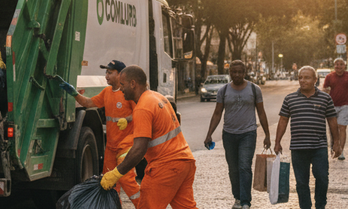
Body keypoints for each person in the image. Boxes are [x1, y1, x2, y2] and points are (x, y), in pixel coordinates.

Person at [101, 65, 197, 209]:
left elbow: (139, 148)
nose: (121, 89)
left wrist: (116, 173)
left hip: (166, 166)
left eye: (123, 84)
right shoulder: (158, 97)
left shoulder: (142, 108)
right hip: (185, 162)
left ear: (133, 84)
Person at [59, 60, 140, 206]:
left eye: (110, 72)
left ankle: (143, 205)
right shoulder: (107, 92)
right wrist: (74, 93)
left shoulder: (127, 94)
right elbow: (88, 103)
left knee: (126, 180)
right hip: (111, 146)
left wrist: (127, 120)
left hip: (126, 145)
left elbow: (140, 112)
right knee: (109, 183)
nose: (106, 76)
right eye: (106, 72)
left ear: (120, 74)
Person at [204, 60, 271, 209]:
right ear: (230, 73)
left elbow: (261, 112)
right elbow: (217, 113)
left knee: (244, 166)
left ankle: (246, 201)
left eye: (240, 72)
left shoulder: (254, 89)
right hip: (229, 135)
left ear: (245, 73)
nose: (237, 75)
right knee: (233, 169)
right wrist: (209, 134)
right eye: (234, 72)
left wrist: (267, 135)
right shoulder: (223, 91)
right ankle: (238, 198)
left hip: (248, 134)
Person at [274, 66, 341, 209]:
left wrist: (337, 143)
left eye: (307, 77)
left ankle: (320, 205)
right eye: (300, 78)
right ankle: (305, 207)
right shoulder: (290, 99)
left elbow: (332, 121)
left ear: (315, 80)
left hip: (319, 147)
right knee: (301, 182)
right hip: (298, 148)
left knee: (322, 178)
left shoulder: (325, 98)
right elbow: (283, 120)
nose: (302, 81)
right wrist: (277, 142)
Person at [323, 58, 348, 161]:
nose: (339, 66)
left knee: (342, 127)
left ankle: (341, 150)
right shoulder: (329, 77)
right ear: (334, 66)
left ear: (344, 66)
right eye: (337, 64)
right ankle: (334, 148)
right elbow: (324, 90)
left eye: (341, 64)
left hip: (345, 105)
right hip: (331, 106)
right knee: (333, 128)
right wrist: (326, 92)